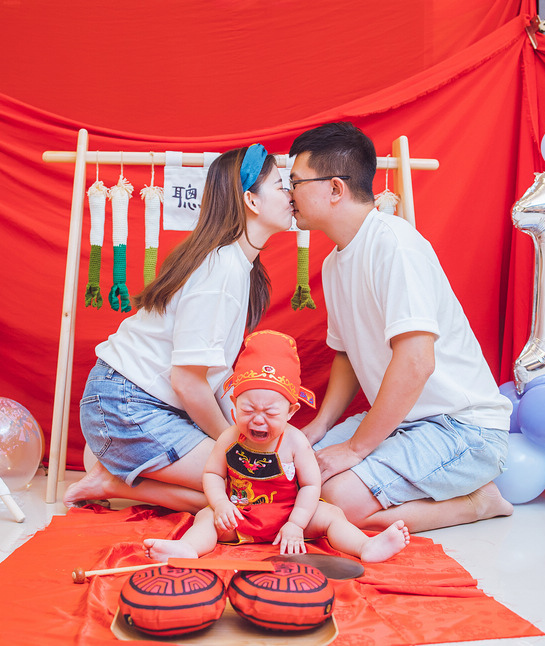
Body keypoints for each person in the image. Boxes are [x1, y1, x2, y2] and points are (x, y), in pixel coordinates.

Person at [287, 122, 514, 533]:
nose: (289, 195)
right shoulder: (334, 263)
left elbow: (416, 363)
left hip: (463, 428)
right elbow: (347, 355)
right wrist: (320, 425)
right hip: (403, 421)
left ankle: (480, 501)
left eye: (296, 183)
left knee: (337, 501)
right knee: (293, 473)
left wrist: (356, 449)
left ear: (335, 189)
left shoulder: (395, 244)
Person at [63, 144, 294, 512]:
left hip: (141, 405)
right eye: (281, 186)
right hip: (126, 407)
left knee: (252, 480)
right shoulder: (222, 268)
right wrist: (233, 444)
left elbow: (214, 376)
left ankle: (118, 465)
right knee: (244, 489)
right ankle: (112, 478)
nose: (290, 195)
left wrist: (249, 436)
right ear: (251, 200)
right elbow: (187, 381)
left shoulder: (235, 264)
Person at [144, 330, 410, 563]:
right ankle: (188, 548)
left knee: (331, 514)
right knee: (206, 516)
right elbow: (213, 473)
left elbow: (310, 485)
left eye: (271, 412)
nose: (258, 419)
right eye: (248, 410)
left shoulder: (296, 442)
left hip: (289, 515)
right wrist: (222, 504)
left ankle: (365, 546)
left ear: (291, 411)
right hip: (241, 514)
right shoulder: (228, 438)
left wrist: (296, 523)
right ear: (234, 403)